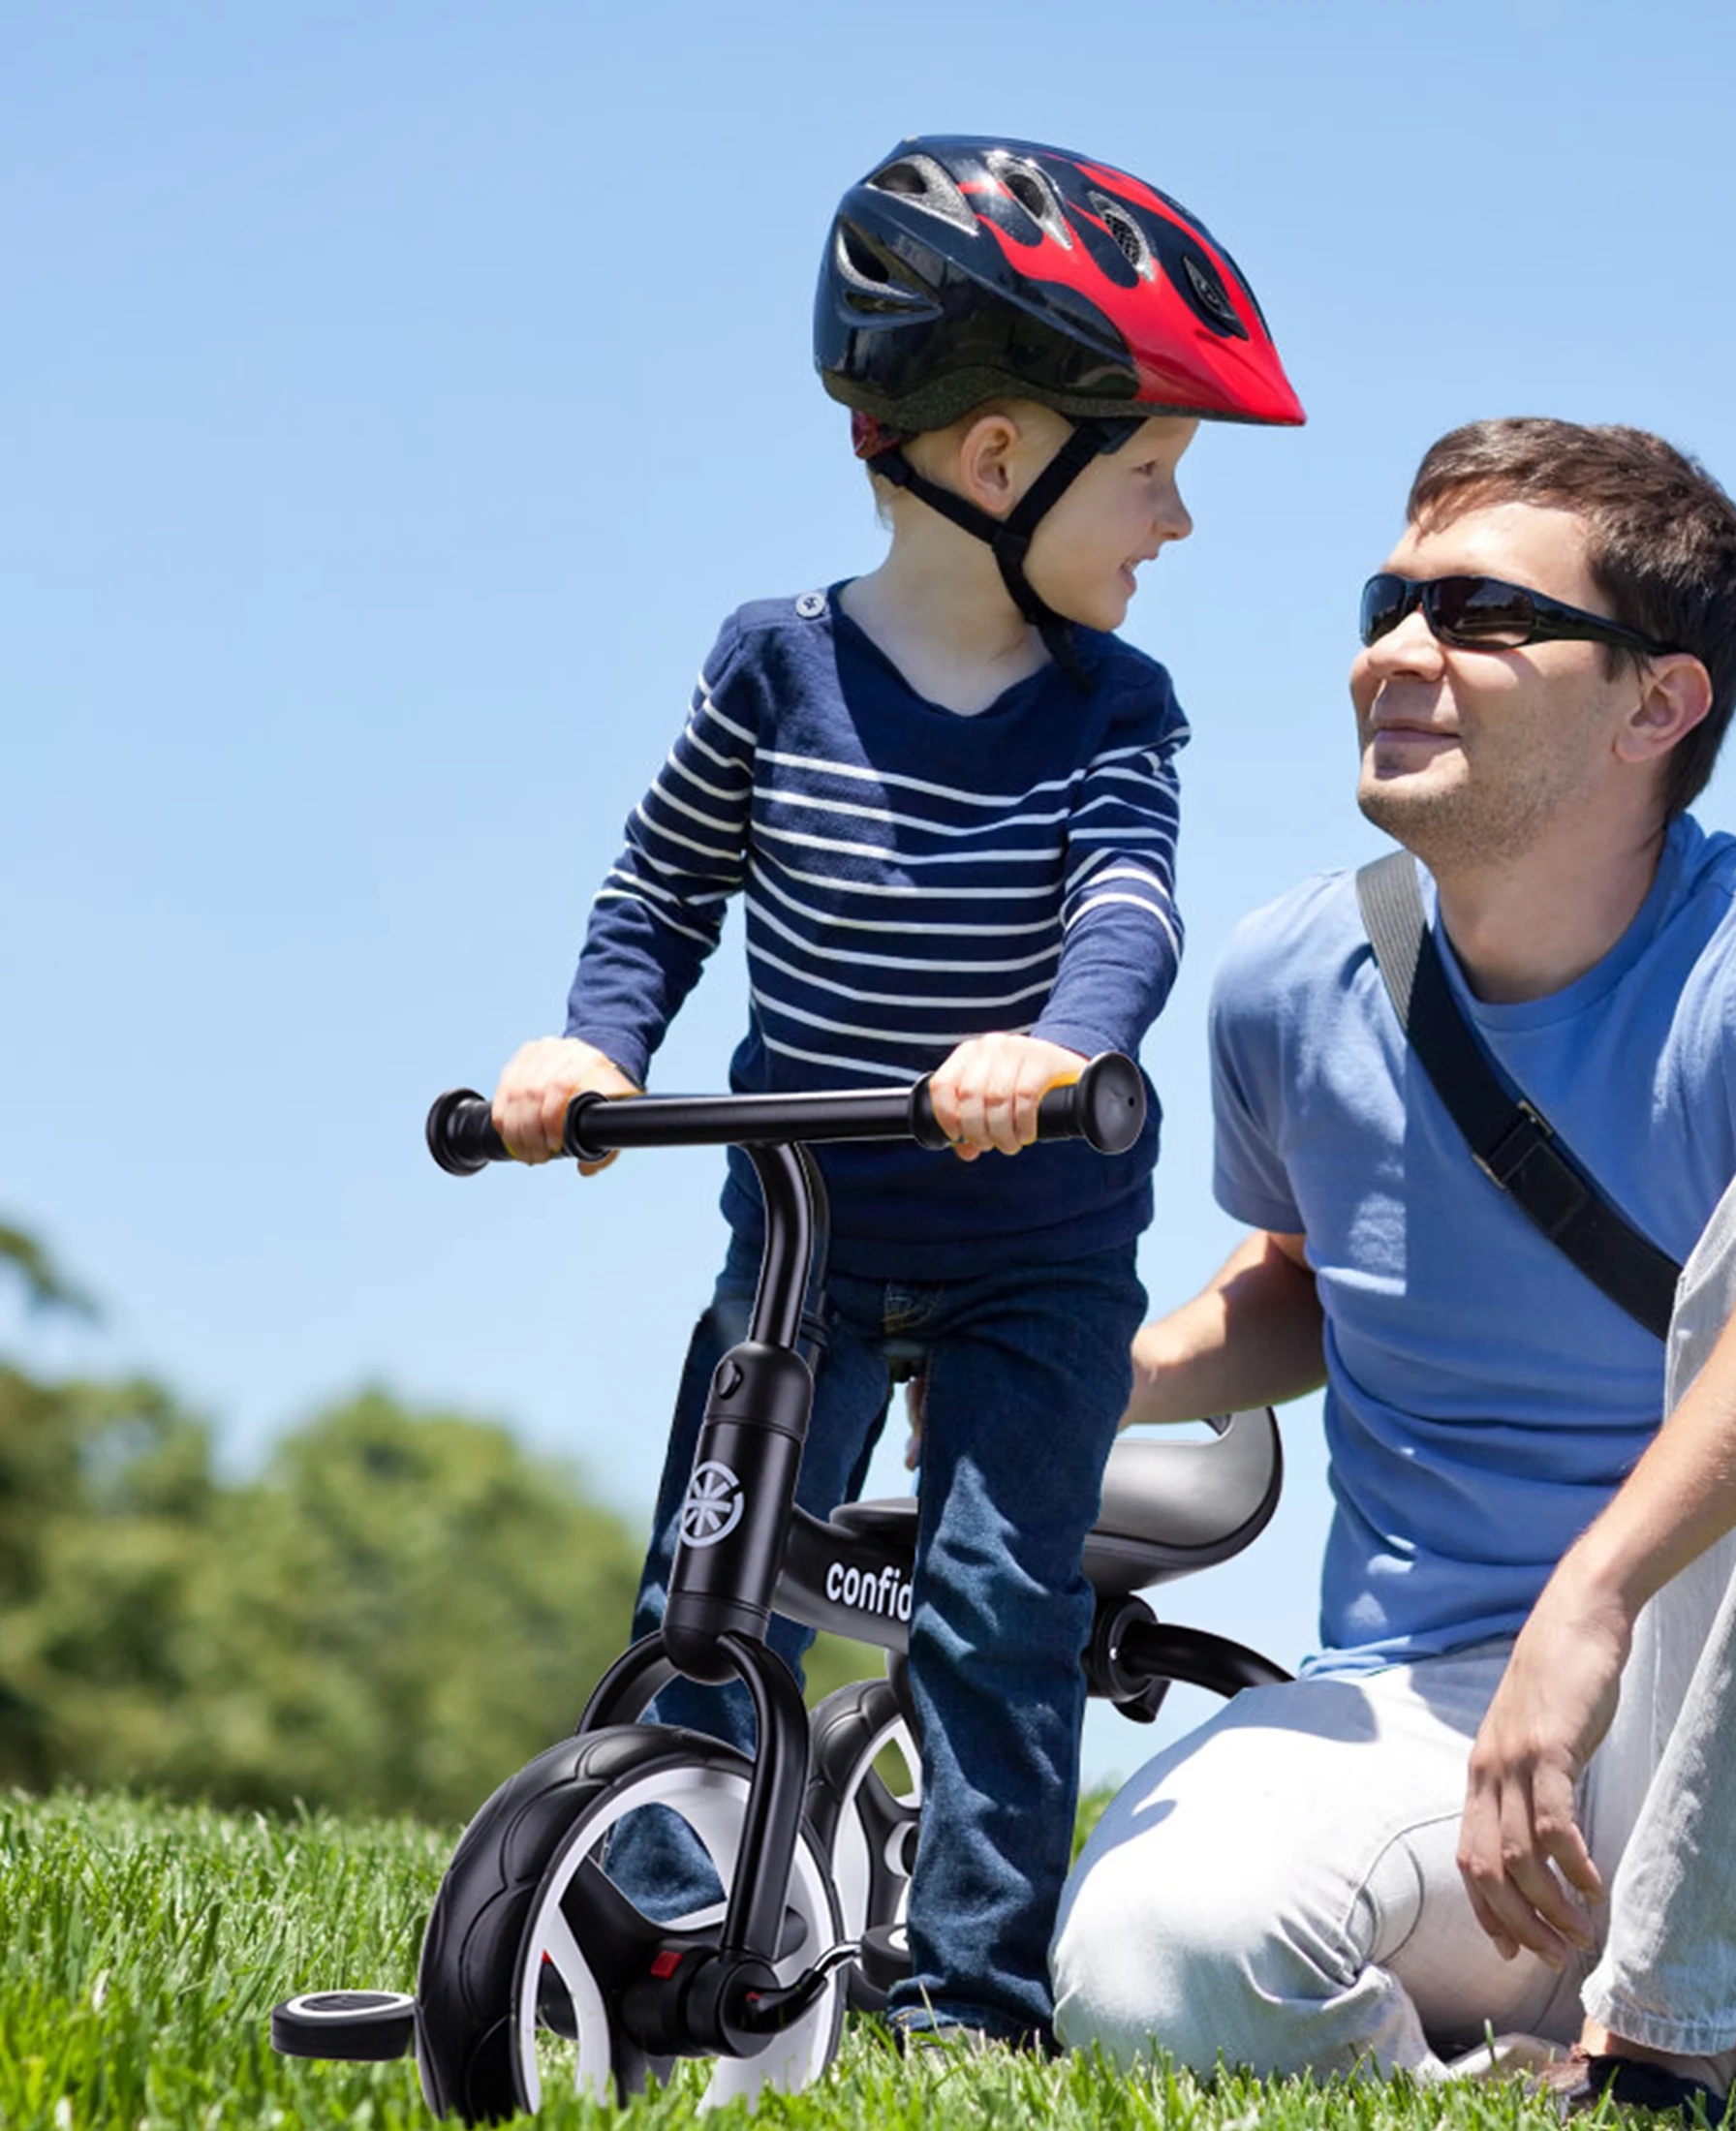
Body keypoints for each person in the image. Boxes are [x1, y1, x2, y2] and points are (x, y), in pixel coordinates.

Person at [1049, 417, 1736, 2120]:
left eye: (1480, 615)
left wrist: (1598, 1595)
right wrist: (1090, 1372)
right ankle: (1495, 2082)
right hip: (1441, 1744)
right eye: (1389, 599)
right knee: (1145, 1963)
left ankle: (1668, 2038)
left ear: (1659, 703)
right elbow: (1309, 1273)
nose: (1391, 652)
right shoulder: (1294, 975)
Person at [486, 136, 1302, 2049]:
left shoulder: (1117, 706)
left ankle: (966, 1990)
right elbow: (661, 884)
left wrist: (1058, 1044)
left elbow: (1124, 903)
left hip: (1032, 1241)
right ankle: (659, 1916)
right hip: (807, 1224)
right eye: (1155, 472)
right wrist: (591, 1045)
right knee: (708, 1575)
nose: (1177, 522)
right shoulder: (771, 669)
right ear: (998, 462)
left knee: (992, 1607)